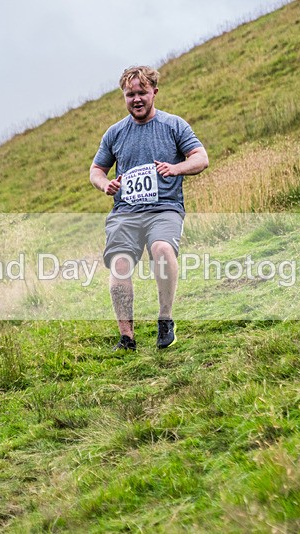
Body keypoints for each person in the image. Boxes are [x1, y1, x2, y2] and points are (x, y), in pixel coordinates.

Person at [89, 66, 209, 351]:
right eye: (130, 94)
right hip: (125, 212)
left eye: (142, 92)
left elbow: (201, 158)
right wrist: (105, 184)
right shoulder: (115, 133)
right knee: (119, 264)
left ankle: (165, 320)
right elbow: (96, 169)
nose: (136, 99)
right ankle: (126, 337)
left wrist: (175, 168)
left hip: (164, 209)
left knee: (162, 251)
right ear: (124, 97)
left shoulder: (173, 125)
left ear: (154, 92)